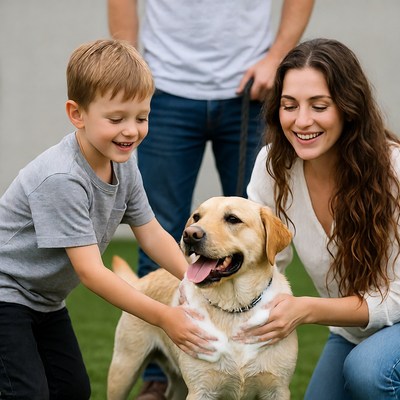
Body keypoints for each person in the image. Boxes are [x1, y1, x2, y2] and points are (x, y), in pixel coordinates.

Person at [107, 1, 315, 398]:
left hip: (253, 84)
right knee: (164, 231)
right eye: (196, 219)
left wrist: (277, 57)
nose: (198, 227)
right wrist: (131, 72)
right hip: (164, 84)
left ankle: (248, 343)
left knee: (248, 214)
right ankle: (159, 377)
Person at [0, 39, 215, 400]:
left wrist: (193, 283)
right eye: (116, 119)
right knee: (26, 393)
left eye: (142, 117)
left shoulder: (123, 161)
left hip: (46, 301)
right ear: (77, 114)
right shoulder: (62, 178)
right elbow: (92, 273)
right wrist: (164, 316)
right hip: (6, 297)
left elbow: (152, 234)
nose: (131, 130)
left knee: (71, 390)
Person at [234, 38, 400, 399]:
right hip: (351, 331)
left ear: (348, 107)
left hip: (390, 328)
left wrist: (307, 308)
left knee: (369, 371)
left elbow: (398, 296)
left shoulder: (394, 170)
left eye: (319, 106)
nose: (302, 121)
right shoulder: (273, 165)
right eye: (289, 105)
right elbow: (261, 256)